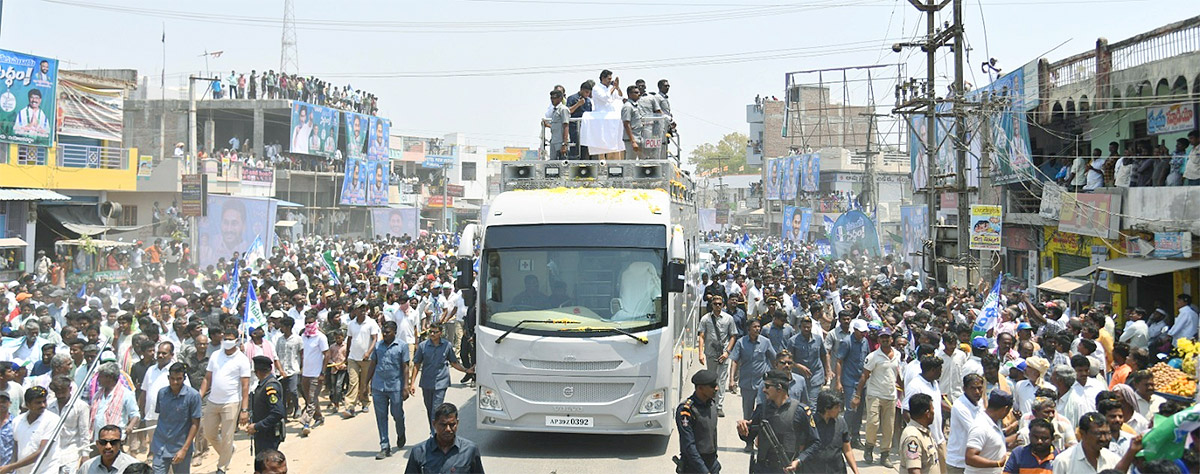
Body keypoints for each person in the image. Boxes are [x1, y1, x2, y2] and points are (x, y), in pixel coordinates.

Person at [736, 369, 818, 473]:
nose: (763, 390)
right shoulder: (762, 409)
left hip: (788, 468)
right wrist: (742, 429)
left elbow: (814, 442)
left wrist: (798, 461)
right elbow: (749, 437)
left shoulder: (800, 411)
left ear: (779, 388)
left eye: (767, 386)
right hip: (763, 468)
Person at [199, 332, 251, 474]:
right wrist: (199, 396)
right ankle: (228, 451)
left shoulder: (242, 359)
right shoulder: (216, 355)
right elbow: (207, 378)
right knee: (209, 433)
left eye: (230, 339)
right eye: (225, 339)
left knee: (228, 436)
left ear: (236, 340)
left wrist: (244, 410)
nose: (227, 341)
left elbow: (245, 386)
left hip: (231, 402)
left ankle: (221, 467)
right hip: (212, 401)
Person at [409, 324, 471, 431]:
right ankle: (433, 430)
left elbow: (454, 362)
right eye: (430, 332)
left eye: (435, 332)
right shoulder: (423, 346)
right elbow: (417, 364)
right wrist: (412, 383)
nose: (432, 334)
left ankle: (435, 435)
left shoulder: (447, 346)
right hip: (427, 382)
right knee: (429, 409)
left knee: (436, 409)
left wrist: (466, 370)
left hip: (441, 382)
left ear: (440, 333)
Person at [853, 327, 900, 467]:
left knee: (888, 427)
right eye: (882, 337)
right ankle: (869, 448)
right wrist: (857, 395)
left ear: (892, 339)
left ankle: (885, 455)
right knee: (873, 423)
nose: (885, 340)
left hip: (891, 395)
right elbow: (864, 376)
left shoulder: (897, 354)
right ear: (878, 340)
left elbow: (899, 375)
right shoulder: (873, 356)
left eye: (888, 337)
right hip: (875, 394)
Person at [729, 318, 776, 451]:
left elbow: (774, 359)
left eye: (758, 327)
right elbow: (734, 361)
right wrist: (732, 379)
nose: (757, 329)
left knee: (763, 412)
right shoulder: (741, 342)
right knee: (748, 414)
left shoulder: (765, 342)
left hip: (763, 384)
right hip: (747, 384)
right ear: (748, 329)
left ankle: (763, 441)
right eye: (754, 327)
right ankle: (748, 442)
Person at [787, 388, 860, 474]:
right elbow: (801, 449)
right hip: (812, 470)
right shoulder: (810, 424)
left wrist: (856, 471)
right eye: (836, 407)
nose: (839, 410)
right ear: (827, 409)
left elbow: (847, 449)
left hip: (836, 470)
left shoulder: (841, 423)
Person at [367, 321, 410, 459]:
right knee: (381, 417)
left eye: (388, 332)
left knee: (397, 414)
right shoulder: (378, 346)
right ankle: (384, 446)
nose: (385, 334)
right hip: (378, 386)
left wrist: (405, 387)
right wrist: (365, 384)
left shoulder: (402, 346)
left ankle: (401, 432)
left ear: (394, 332)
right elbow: (373, 364)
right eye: (383, 332)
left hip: (395, 386)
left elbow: (405, 367)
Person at [150, 363, 201, 474]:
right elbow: (162, 416)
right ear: (168, 378)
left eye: (178, 379)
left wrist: (184, 449)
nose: (175, 382)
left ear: (184, 378)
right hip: (160, 446)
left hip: (179, 447)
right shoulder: (162, 393)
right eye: (172, 379)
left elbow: (195, 424)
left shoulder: (193, 396)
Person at [404, 403, 484, 474]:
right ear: (434, 424)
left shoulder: (470, 450)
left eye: (452, 424)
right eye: (443, 425)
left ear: (457, 423)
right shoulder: (419, 452)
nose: (448, 429)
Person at [1050, 412, 1133, 473]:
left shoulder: (1114, 459)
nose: (1104, 439)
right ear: (1083, 434)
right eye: (1098, 434)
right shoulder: (1064, 461)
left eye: (1107, 433)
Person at [1, 387, 58, 474]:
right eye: (38, 403)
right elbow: (16, 448)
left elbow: (43, 451)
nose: (43, 405)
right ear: (28, 405)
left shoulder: (52, 419)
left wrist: (11, 466)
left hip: (45, 471)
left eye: (44, 401)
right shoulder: (17, 421)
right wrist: (10, 469)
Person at [697, 297, 737, 417]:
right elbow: (702, 336)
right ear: (711, 305)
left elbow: (733, 336)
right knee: (711, 379)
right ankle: (710, 402)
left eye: (720, 304)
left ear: (723, 305)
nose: (717, 306)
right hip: (710, 354)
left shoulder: (728, 319)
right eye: (715, 304)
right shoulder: (705, 319)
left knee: (722, 380)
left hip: (723, 354)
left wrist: (727, 352)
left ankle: (719, 406)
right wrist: (700, 353)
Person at [675, 369, 720, 474]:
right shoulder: (686, 410)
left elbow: (712, 434)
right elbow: (689, 445)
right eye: (713, 386)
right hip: (694, 466)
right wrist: (704, 471)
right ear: (700, 388)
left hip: (712, 463)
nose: (716, 388)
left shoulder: (712, 405)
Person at [963, 390, 1012, 474]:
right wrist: (997, 463)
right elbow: (970, 457)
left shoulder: (995, 422)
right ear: (1005, 409)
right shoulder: (981, 426)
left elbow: (992, 443)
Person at [345, 301, 380, 417]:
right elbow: (349, 339)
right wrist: (347, 356)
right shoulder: (351, 324)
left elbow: (375, 339)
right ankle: (350, 407)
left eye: (364, 308)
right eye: (360, 308)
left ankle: (365, 402)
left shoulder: (371, 323)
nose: (362, 310)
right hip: (353, 358)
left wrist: (368, 352)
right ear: (355, 311)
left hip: (366, 358)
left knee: (364, 383)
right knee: (353, 383)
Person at [947, 373, 986, 474]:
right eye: (973, 388)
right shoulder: (960, 406)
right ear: (964, 389)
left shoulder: (980, 402)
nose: (977, 392)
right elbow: (975, 431)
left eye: (979, 388)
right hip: (958, 463)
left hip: (974, 460)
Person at [247, 356, 285, 454]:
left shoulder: (270, 386)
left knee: (267, 464)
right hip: (262, 434)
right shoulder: (263, 385)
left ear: (257, 372)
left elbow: (277, 413)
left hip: (268, 434)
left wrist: (257, 426)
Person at [789, 316, 829, 404]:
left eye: (808, 327)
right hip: (799, 377)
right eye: (804, 327)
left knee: (812, 404)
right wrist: (798, 366)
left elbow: (824, 355)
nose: (806, 329)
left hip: (816, 376)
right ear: (800, 327)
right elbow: (788, 359)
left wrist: (827, 372)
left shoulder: (818, 339)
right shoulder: (793, 341)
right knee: (799, 403)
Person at [898, 392, 940, 474]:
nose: (934, 413)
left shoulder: (924, 432)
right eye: (933, 410)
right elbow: (914, 470)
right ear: (927, 414)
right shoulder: (913, 438)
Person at [621, 85, 644, 160]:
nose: (639, 94)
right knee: (630, 164)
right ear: (630, 94)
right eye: (636, 92)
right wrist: (633, 141)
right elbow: (626, 124)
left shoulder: (636, 106)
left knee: (642, 164)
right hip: (632, 139)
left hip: (639, 137)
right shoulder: (627, 106)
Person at [547, 89, 569, 160]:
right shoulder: (554, 110)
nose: (552, 100)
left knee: (562, 164)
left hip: (560, 142)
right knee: (553, 163)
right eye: (551, 98)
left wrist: (564, 144)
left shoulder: (563, 109)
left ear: (560, 98)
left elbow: (566, 126)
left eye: (555, 98)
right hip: (554, 141)